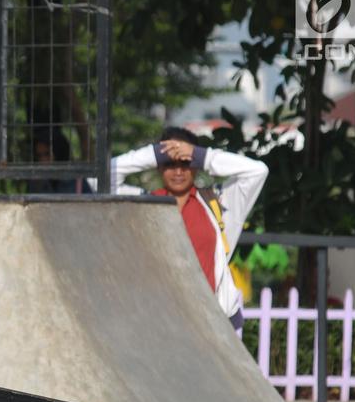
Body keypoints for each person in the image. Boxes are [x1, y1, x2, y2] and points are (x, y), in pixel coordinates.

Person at [111, 126, 268, 328]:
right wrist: (154, 154)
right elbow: (99, 179)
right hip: (158, 324)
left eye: (186, 163)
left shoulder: (218, 202)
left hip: (214, 325)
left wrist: (201, 156)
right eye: (169, 163)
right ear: (158, 166)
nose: (178, 171)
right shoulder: (142, 204)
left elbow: (257, 171)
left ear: (196, 165)